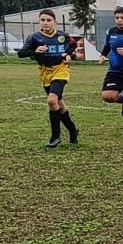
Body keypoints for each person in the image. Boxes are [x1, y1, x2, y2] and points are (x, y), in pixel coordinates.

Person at [21, 9, 79, 147]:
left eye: (48, 20)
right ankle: (73, 131)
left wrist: (69, 55)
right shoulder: (34, 38)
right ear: (39, 21)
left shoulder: (63, 36)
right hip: (45, 73)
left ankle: (55, 136)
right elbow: (21, 53)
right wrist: (34, 51)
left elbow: (73, 45)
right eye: (42, 20)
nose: (45, 23)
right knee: (59, 105)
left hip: (61, 70)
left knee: (52, 101)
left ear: (55, 22)